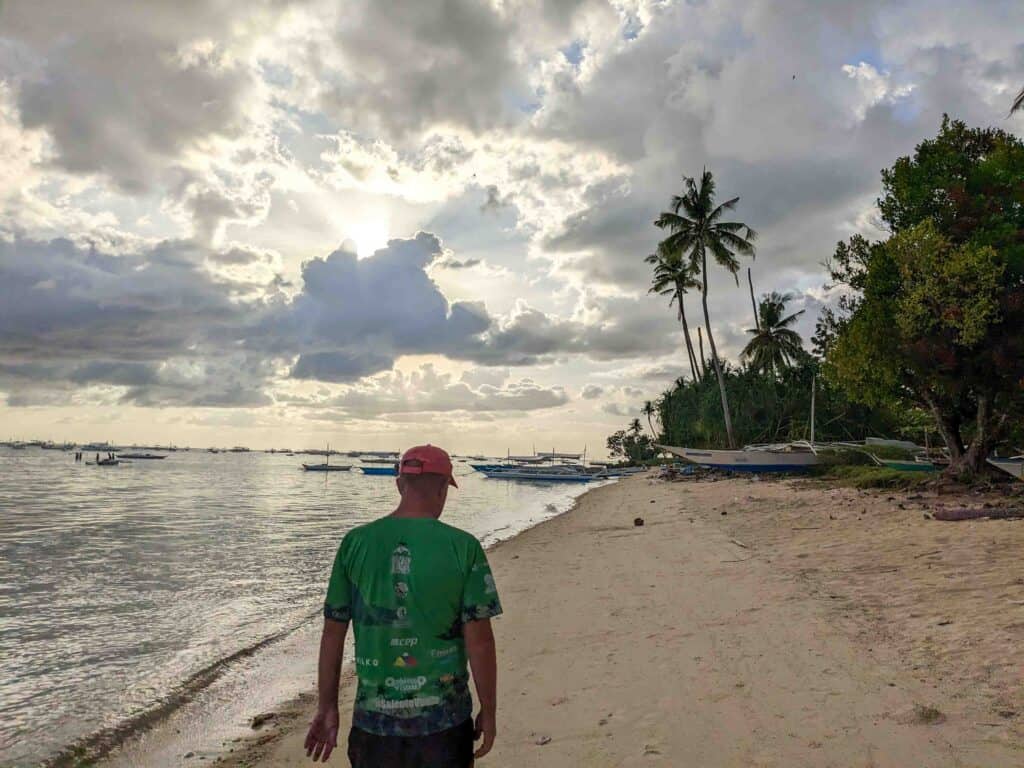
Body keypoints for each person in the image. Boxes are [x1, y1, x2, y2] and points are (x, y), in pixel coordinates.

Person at [305, 444, 501, 767]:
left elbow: (332, 634)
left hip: (374, 728)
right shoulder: (464, 547)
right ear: (443, 488)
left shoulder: (355, 543)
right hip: (445, 726)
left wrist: (327, 707)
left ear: (399, 484)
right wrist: (489, 711)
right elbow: (480, 642)